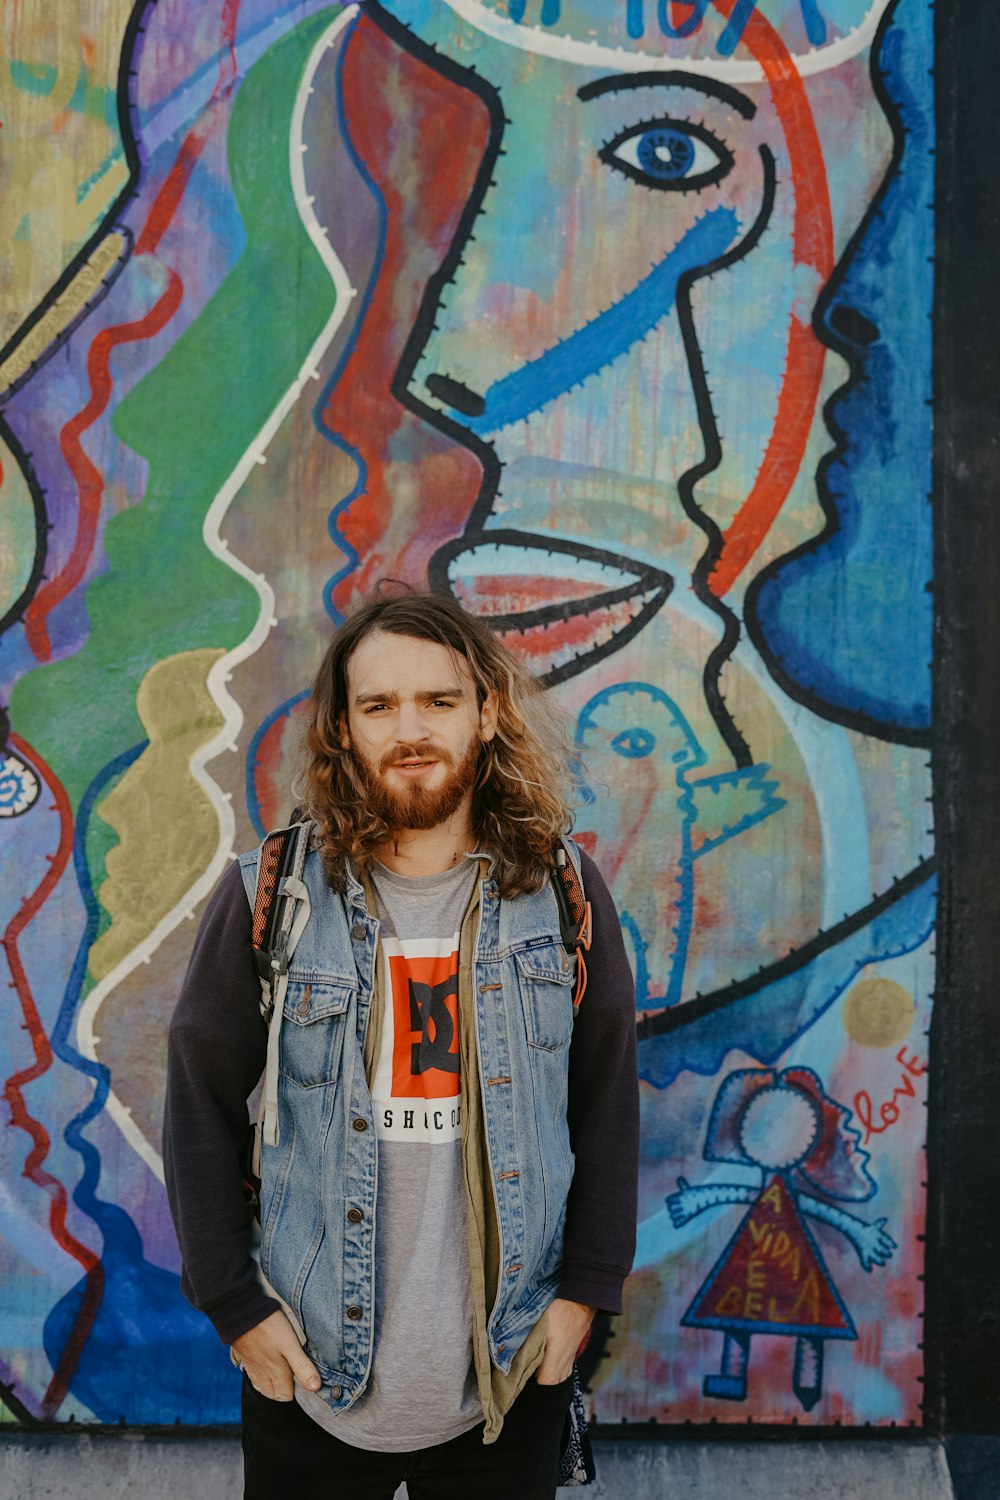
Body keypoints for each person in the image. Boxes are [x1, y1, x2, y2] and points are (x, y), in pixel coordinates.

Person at [163, 585, 639, 1499]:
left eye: (439, 700)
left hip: (507, 1372)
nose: (409, 728)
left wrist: (586, 1295)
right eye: (378, 705)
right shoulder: (274, 894)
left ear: (487, 714)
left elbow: (608, 1095)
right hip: (309, 1376)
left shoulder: (562, 891)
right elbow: (198, 1095)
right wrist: (234, 1306)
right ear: (342, 728)